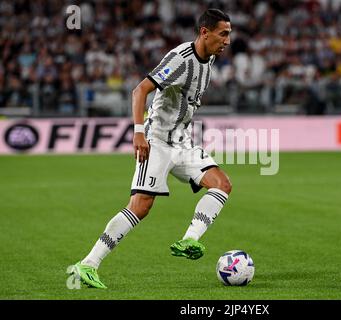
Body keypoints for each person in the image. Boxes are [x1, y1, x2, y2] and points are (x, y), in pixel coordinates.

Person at [72, 9, 232, 289]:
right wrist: (138, 133)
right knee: (141, 206)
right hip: (156, 140)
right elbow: (140, 90)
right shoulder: (180, 59)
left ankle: (190, 240)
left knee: (221, 184)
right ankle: (88, 264)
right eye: (224, 34)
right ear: (204, 32)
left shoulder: (210, 61)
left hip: (182, 141)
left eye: (229, 34)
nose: (228, 40)